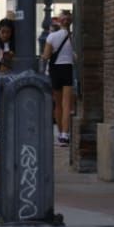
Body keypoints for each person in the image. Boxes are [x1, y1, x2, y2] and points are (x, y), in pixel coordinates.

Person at [41, 9, 76, 146]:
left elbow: (46, 56)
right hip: (68, 69)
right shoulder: (73, 36)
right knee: (67, 104)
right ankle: (65, 134)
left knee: (57, 104)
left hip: (55, 70)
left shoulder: (52, 37)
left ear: (59, 21)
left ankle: (60, 133)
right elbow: (75, 55)